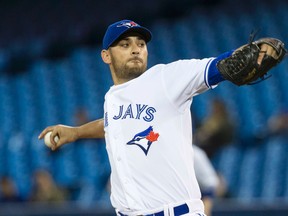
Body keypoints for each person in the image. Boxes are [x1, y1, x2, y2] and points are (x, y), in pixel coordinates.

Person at [38, 19, 284, 216]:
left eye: (140, 44)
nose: (135, 48)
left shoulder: (166, 78)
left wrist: (239, 56)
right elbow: (113, 124)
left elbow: (215, 67)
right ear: (106, 56)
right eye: (124, 45)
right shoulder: (112, 99)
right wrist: (76, 132)